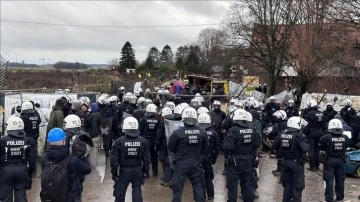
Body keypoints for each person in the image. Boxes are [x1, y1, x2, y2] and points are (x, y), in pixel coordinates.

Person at [168, 107, 208, 202]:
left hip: (181, 163)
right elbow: (205, 149)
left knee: (177, 187)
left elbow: (171, 148)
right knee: (198, 185)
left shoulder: (177, 133)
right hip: (195, 162)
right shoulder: (202, 132)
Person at [41, 128, 91, 202]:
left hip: (50, 197)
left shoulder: (44, 158)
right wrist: (83, 157)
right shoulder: (73, 160)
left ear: (49, 142)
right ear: (64, 141)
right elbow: (87, 170)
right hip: (70, 197)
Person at [223, 109, 260, 202]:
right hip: (249, 161)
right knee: (248, 185)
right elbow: (257, 144)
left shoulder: (233, 130)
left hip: (235, 161)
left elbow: (228, 147)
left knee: (232, 186)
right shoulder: (252, 129)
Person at [111, 117, 150, 202]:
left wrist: (114, 173)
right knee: (137, 191)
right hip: (138, 170)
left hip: (124, 170)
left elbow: (114, 160)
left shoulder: (119, 142)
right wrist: (145, 172)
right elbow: (147, 159)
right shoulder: (143, 141)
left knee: (120, 193)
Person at [273, 116, 310, 202]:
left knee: (287, 186)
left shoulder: (281, 135)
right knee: (297, 187)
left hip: (285, 162)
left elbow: (274, 147)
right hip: (297, 163)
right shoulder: (299, 136)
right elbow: (305, 149)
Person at [0, 117, 36, 202]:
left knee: (5, 197)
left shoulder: (2, 140)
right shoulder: (29, 141)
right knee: (21, 197)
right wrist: (30, 173)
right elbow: (32, 160)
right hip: (22, 170)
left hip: (6, 170)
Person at [319, 119, 349, 202]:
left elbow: (321, 147)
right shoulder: (345, 137)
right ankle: (340, 198)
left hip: (329, 160)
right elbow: (346, 146)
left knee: (329, 180)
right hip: (341, 160)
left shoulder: (325, 137)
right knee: (340, 180)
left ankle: (329, 199)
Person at [197, 113, 220, 200]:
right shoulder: (214, 133)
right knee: (208, 177)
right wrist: (213, 160)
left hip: (198, 157)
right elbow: (217, 148)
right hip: (208, 158)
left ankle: (201, 196)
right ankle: (211, 195)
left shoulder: (197, 131)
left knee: (198, 178)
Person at [139, 103, 161, 177]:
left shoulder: (143, 119)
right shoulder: (158, 119)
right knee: (154, 157)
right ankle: (155, 172)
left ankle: (146, 172)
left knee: (146, 157)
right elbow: (159, 131)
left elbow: (140, 131)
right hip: (154, 140)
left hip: (145, 140)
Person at [303, 100, 326, 171]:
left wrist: (303, 133)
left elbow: (307, 125)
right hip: (319, 133)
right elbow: (324, 125)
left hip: (311, 133)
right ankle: (317, 165)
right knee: (317, 150)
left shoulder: (309, 114)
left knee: (311, 150)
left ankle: (312, 166)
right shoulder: (321, 113)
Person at [155, 107, 173, 186]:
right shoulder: (175, 121)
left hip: (164, 144)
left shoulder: (163, 123)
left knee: (165, 161)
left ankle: (166, 179)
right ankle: (168, 176)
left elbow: (159, 135)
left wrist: (156, 145)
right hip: (173, 143)